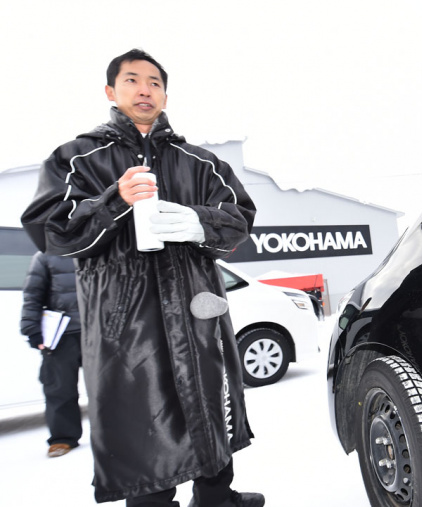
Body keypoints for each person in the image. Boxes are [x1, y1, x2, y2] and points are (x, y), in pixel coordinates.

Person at [20, 49, 262, 507]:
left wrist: (200, 222)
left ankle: (217, 498)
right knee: (139, 421)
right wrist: (114, 201)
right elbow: (47, 229)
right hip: (124, 322)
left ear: (165, 95)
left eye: (154, 82)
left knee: (210, 401)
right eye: (131, 80)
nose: (144, 89)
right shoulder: (77, 158)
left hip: (198, 312)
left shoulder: (200, 162)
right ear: (111, 91)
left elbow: (240, 217)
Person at [19, 251, 83, 458]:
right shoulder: (45, 256)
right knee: (59, 388)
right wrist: (32, 329)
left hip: (100, 332)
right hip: (61, 335)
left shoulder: (99, 248)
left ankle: (114, 436)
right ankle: (62, 438)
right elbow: (32, 294)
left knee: (109, 388)